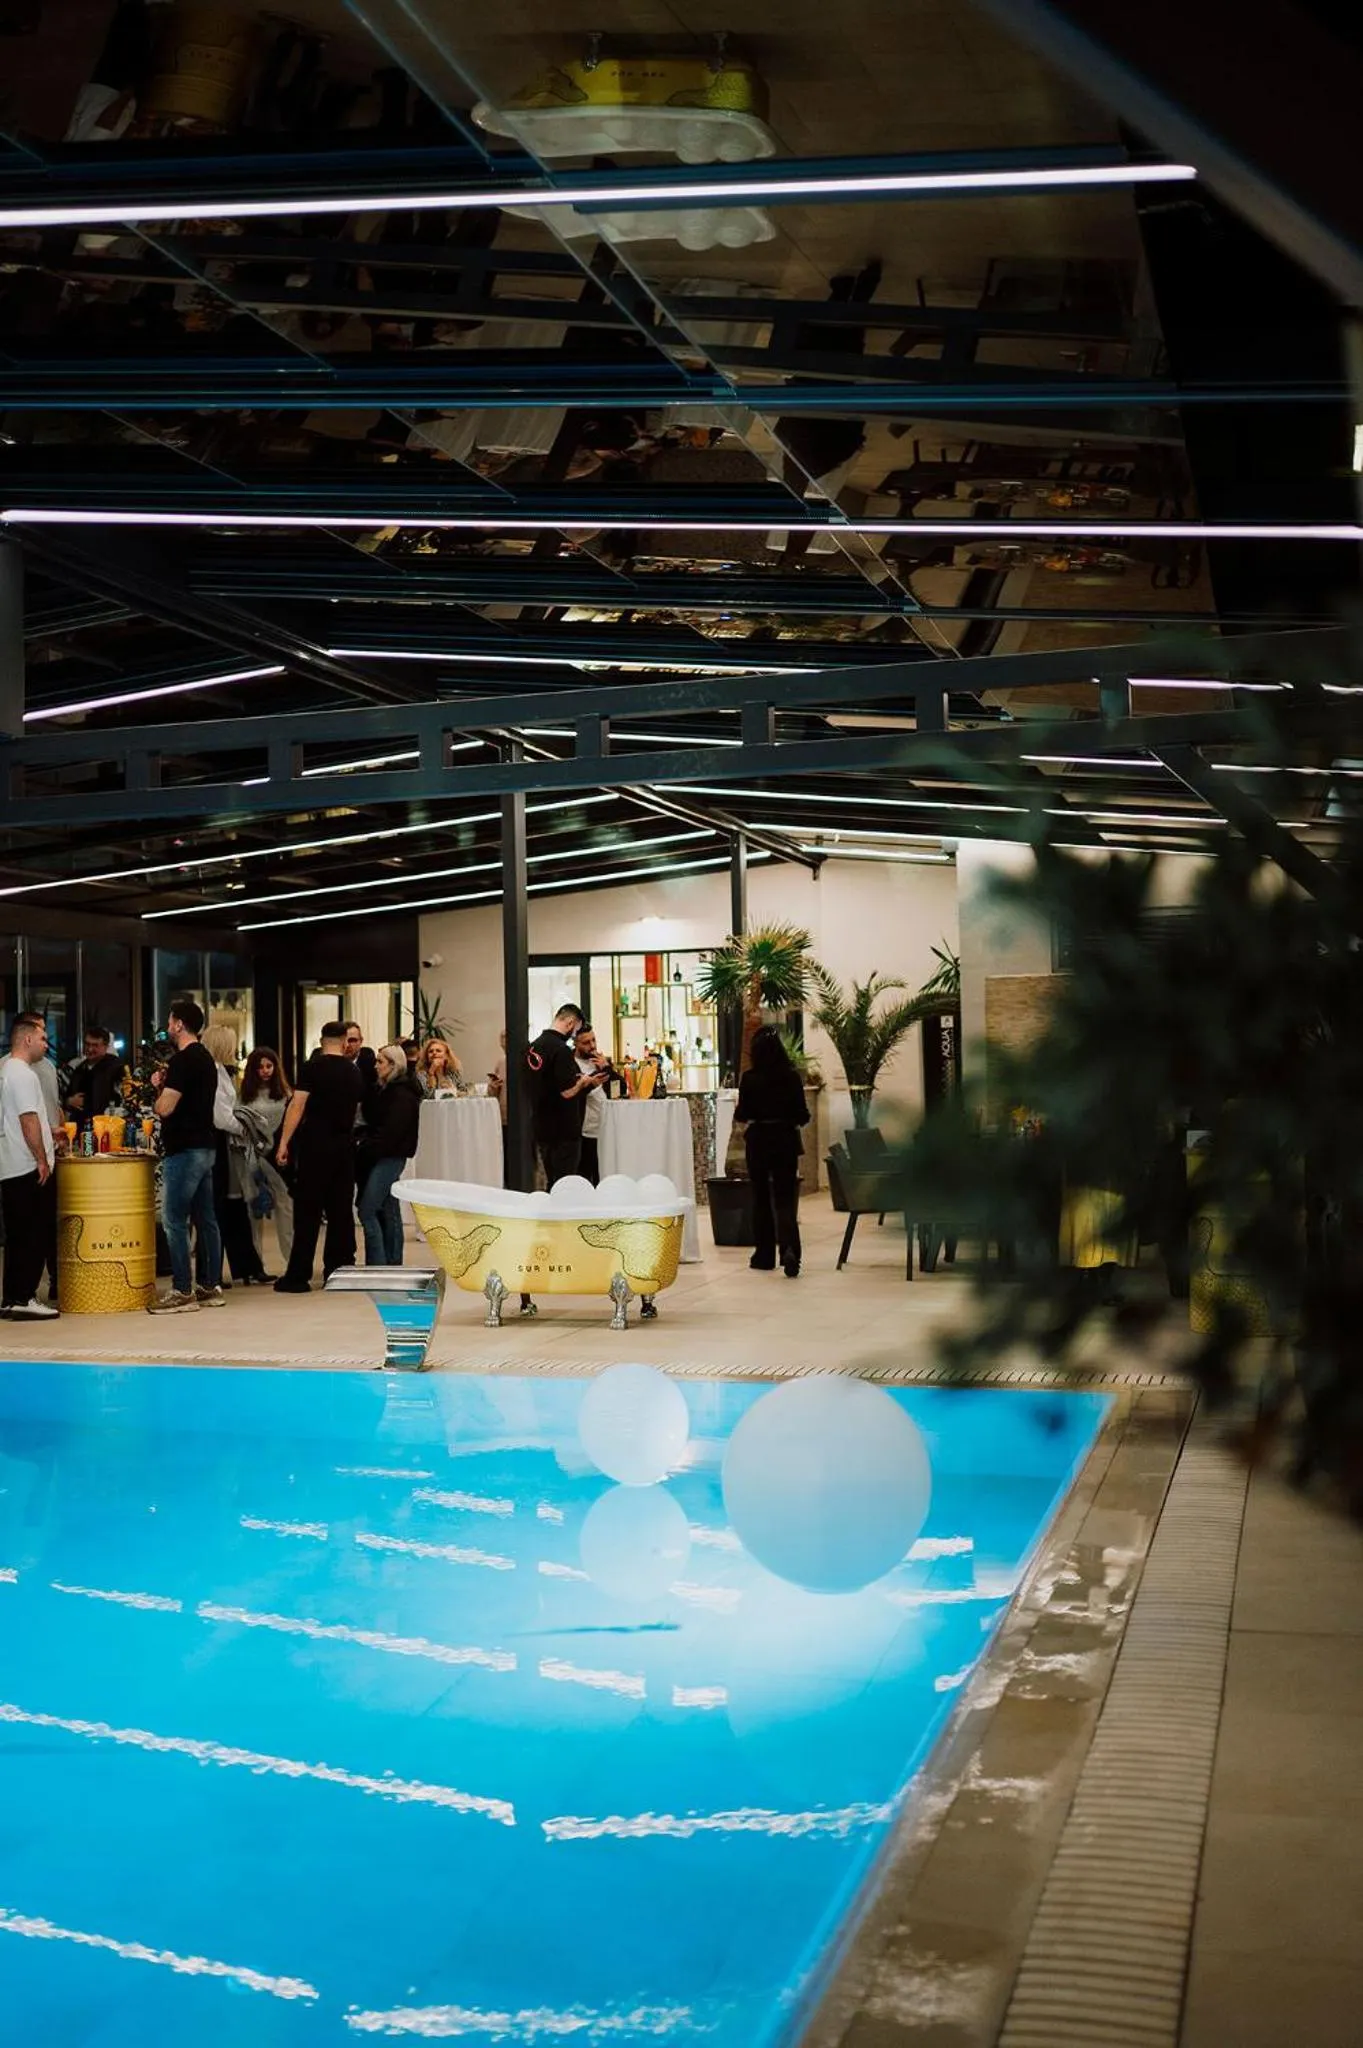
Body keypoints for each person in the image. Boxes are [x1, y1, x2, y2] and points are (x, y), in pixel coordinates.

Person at [147, 998, 224, 1313]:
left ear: (179, 1023)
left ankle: (182, 1290)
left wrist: (159, 1093)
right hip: (206, 1145)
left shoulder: (182, 1061)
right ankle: (209, 1285)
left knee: (174, 1220)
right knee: (206, 1219)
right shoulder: (206, 1058)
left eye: (170, 1020)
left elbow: (166, 1108)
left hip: (184, 1149)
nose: (167, 1026)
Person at [274, 1020, 363, 1291]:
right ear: (344, 1041)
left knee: (308, 1211)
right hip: (345, 1147)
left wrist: (284, 1143)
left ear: (322, 1040)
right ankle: (338, 1272)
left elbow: (297, 1105)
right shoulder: (353, 1071)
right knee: (340, 1212)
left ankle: (298, 1275)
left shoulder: (312, 1068)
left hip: (316, 1145)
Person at [736, 1024, 810, 1279]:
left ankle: (764, 1255)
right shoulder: (791, 1077)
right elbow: (803, 1115)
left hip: (758, 1142)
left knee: (761, 1199)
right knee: (785, 1199)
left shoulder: (749, 1078)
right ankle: (790, 1250)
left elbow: (742, 1114)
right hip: (785, 1141)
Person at [0, 1012, 59, 1320]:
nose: (46, 1045)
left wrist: (51, 1133)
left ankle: (12, 1296)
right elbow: (27, 1118)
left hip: (9, 1163)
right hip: (26, 1166)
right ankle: (24, 1295)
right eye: (42, 1038)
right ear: (27, 1039)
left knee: (17, 1234)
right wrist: (41, 1159)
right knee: (35, 1232)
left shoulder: (4, 1069)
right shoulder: (23, 1073)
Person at [202, 1024, 270, 1286]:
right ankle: (219, 1271)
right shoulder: (215, 1074)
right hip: (220, 1144)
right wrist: (245, 1127)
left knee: (232, 1207)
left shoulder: (221, 1071)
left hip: (227, 1145)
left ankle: (244, 1267)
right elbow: (221, 1116)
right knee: (221, 1208)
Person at [357, 1041, 421, 1264]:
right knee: (388, 1209)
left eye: (380, 1061)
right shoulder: (386, 1090)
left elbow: (391, 1133)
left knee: (367, 1210)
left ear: (393, 1065)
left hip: (388, 1156)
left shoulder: (401, 1095)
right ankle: (392, 1262)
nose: (376, 1066)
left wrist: (367, 1148)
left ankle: (378, 1264)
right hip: (386, 1155)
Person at [525, 1003, 602, 1188]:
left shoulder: (533, 1048)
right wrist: (583, 1083)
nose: (574, 1034)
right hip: (564, 1130)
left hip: (542, 1125)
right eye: (575, 1030)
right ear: (570, 1022)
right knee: (565, 1184)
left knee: (552, 1181)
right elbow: (567, 1092)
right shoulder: (561, 1050)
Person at [239, 1046, 293, 1270]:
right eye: (260, 1067)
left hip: (279, 1156)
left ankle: (292, 1259)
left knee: (286, 1206)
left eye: (269, 1066)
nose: (265, 1071)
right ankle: (255, 1265)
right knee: (253, 1210)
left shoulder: (286, 1094)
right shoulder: (242, 1095)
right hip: (250, 1156)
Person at [572, 1023, 618, 1186]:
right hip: (584, 1133)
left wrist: (608, 1068)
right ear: (575, 1043)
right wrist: (590, 1083)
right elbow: (571, 1096)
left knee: (604, 1180)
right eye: (586, 1042)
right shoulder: (570, 1064)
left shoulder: (601, 1062)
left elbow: (620, 1090)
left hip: (605, 1130)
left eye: (593, 1040)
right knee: (584, 1181)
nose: (592, 1046)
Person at [63, 1026, 128, 1119]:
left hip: (106, 1126)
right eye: (87, 1044)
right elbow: (67, 1096)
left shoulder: (116, 1068)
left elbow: (122, 1100)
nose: (89, 1049)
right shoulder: (79, 1068)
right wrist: (69, 1101)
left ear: (105, 1047)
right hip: (80, 1126)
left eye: (95, 1045)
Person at [342, 1021, 379, 1089]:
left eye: (352, 1040)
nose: (347, 1045)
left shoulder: (371, 1066)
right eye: (343, 1040)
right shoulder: (332, 1065)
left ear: (361, 1041)